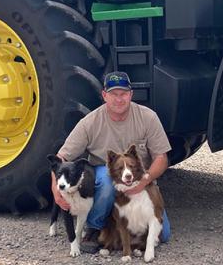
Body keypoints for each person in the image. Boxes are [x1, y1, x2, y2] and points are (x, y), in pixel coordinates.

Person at [52, 71, 172, 253]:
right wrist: (55, 189)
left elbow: (162, 158)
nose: (119, 99)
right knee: (107, 182)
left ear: (131, 95)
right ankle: (93, 228)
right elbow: (62, 157)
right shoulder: (90, 122)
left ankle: (129, 233)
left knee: (164, 235)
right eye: (114, 94)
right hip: (107, 176)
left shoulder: (148, 117)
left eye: (123, 94)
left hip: (139, 179)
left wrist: (145, 181)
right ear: (104, 95)